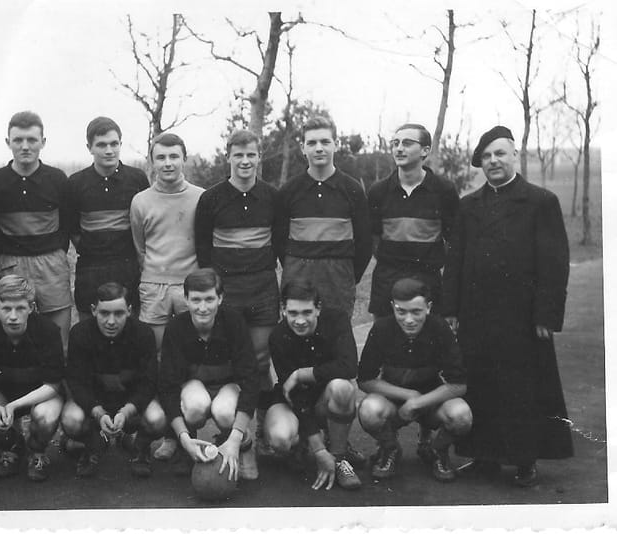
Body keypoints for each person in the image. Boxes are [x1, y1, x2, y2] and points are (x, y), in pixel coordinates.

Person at [442, 125, 573, 487]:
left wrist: (546, 314)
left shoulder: (541, 202)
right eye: (486, 156)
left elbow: (554, 263)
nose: (493, 161)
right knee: (480, 384)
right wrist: (450, 310)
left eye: (500, 153)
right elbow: (455, 261)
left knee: (523, 388)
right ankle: (483, 457)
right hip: (476, 315)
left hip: (523, 317)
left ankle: (525, 460)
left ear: (516, 155)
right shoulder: (469, 206)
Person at [195, 129, 281, 462]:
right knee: (234, 362)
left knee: (260, 362)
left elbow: (279, 244)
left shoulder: (272, 197)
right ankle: (236, 437)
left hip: (262, 289)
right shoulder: (211, 199)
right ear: (228, 156)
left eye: (251, 155)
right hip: (227, 290)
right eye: (238, 155)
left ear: (259, 157)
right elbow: (203, 250)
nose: (245, 161)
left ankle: (259, 435)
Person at [130, 132, 204, 460]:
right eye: (161, 157)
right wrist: (155, 276)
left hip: (190, 288)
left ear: (184, 158)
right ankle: (158, 432)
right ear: (152, 162)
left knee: (188, 359)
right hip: (154, 287)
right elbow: (140, 247)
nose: (168, 163)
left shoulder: (201, 197)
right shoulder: (141, 201)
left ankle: (186, 435)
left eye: (174, 156)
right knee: (157, 360)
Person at [357, 277, 471, 482]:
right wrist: (409, 395)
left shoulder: (440, 328)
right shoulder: (382, 328)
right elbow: (365, 379)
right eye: (401, 311)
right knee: (369, 411)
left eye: (416, 312)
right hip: (393, 400)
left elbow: (458, 384)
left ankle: (437, 450)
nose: (409, 319)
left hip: (432, 400)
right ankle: (390, 448)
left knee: (461, 416)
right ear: (392, 306)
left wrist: (417, 402)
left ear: (428, 307)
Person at [0, 275, 65, 482]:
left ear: (31, 308)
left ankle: (37, 451)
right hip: (2, 394)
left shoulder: (48, 330)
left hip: (38, 395)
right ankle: (11, 446)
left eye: (20, 308)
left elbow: (53, 383)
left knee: (46, 417)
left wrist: (14, 406)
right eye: (7, 308)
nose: (13, 316)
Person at [158, 269, 259, 481]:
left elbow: (251, 380)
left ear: (220, 298)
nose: (202, 308)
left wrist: (236, 436)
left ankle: (241, 445)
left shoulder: (234, 322)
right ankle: (188, 446)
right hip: (194, 387)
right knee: (195, 406)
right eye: (196, 300)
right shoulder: (176, 327)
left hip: (227, 387)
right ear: (186, 299)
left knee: (224, 412)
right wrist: (182, 437)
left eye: (209, 299)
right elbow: (168, 386)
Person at [0, 111, 72, 350]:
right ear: (8, 142)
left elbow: (66, 225)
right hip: (11, 265)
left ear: (43, 142)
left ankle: (57, 375)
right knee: (13, 335)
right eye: (18, 140)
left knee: (58, 340)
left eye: (32, 140)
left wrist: (54, 254)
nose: (25, 146)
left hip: (51, 265)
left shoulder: (57, 179)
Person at [265, 279, 362, 491]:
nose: (300, 320)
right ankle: (302, 443)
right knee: (280, 438)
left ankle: (339, 457)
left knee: (343, 388)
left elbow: (349, 367)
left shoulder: (337, 320)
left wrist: (303, 374)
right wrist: (318, 449)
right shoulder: (278, 336)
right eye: (293, 313)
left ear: (318, 308)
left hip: (324, 399)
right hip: (293, 401)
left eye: (307, 312)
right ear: (283, 310)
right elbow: (295, 395)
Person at [62, 282, 166, 478]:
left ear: (129, 311)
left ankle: (140, 447)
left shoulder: (143, 333)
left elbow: (149, 382)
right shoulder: (79, 333)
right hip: (95, 401)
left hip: (130, 401)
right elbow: (76, 382)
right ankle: (93, 444)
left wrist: (127, 411)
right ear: (93, 310)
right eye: (104, 313)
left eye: (118, 313)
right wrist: (98, 412)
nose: (111, 321)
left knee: (158, 419)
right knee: (71, 420)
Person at [275, 116, 371, 318]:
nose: (319, 148)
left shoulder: (352, 189)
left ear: (335, 144)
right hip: (297, 279)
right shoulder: (288, 191)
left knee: (337, 334)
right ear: (303, 148)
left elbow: (364, 243)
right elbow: (279, 241)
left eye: (325, 142)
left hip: (338, 283)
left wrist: (347, 277)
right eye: (312, 143)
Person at [366, 123, 459, 318]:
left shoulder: (444, 191)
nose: (399, 149)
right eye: (395, 143)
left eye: (407, 143)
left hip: (429, 285)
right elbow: (372, 239)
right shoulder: (378, 192)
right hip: (387, 285)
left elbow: (454, 242)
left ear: (425, 150)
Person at [67, 117, 149, 319]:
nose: (109, 150)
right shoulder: (76, 183)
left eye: (114, 144)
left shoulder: (136, 178)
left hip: (128, 267)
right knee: (89, 325)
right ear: (89, 147)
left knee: (129, 325)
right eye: (101, 145)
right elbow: (73, 230)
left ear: (120, 144)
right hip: (91, 269)